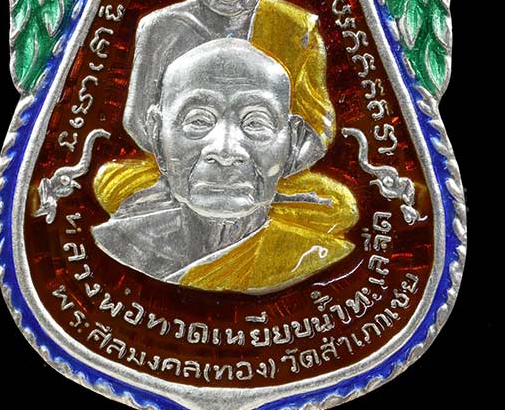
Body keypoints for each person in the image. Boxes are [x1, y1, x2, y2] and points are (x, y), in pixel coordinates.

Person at [94, 0, 357, 248]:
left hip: (266, 168)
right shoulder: (161, 28)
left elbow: (316, 125)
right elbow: (139, 119)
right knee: (111, 182)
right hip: (178, 166)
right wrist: (177, 169)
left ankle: (226, 216)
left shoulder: (294, 28)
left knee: (339, 205)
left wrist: (266, 173)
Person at [92, 40, 355, 292]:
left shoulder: (316, 256)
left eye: (256, 123)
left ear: (293, 142)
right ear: (156, 134)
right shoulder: (118, 244)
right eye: (198, 121)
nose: (225, 151)